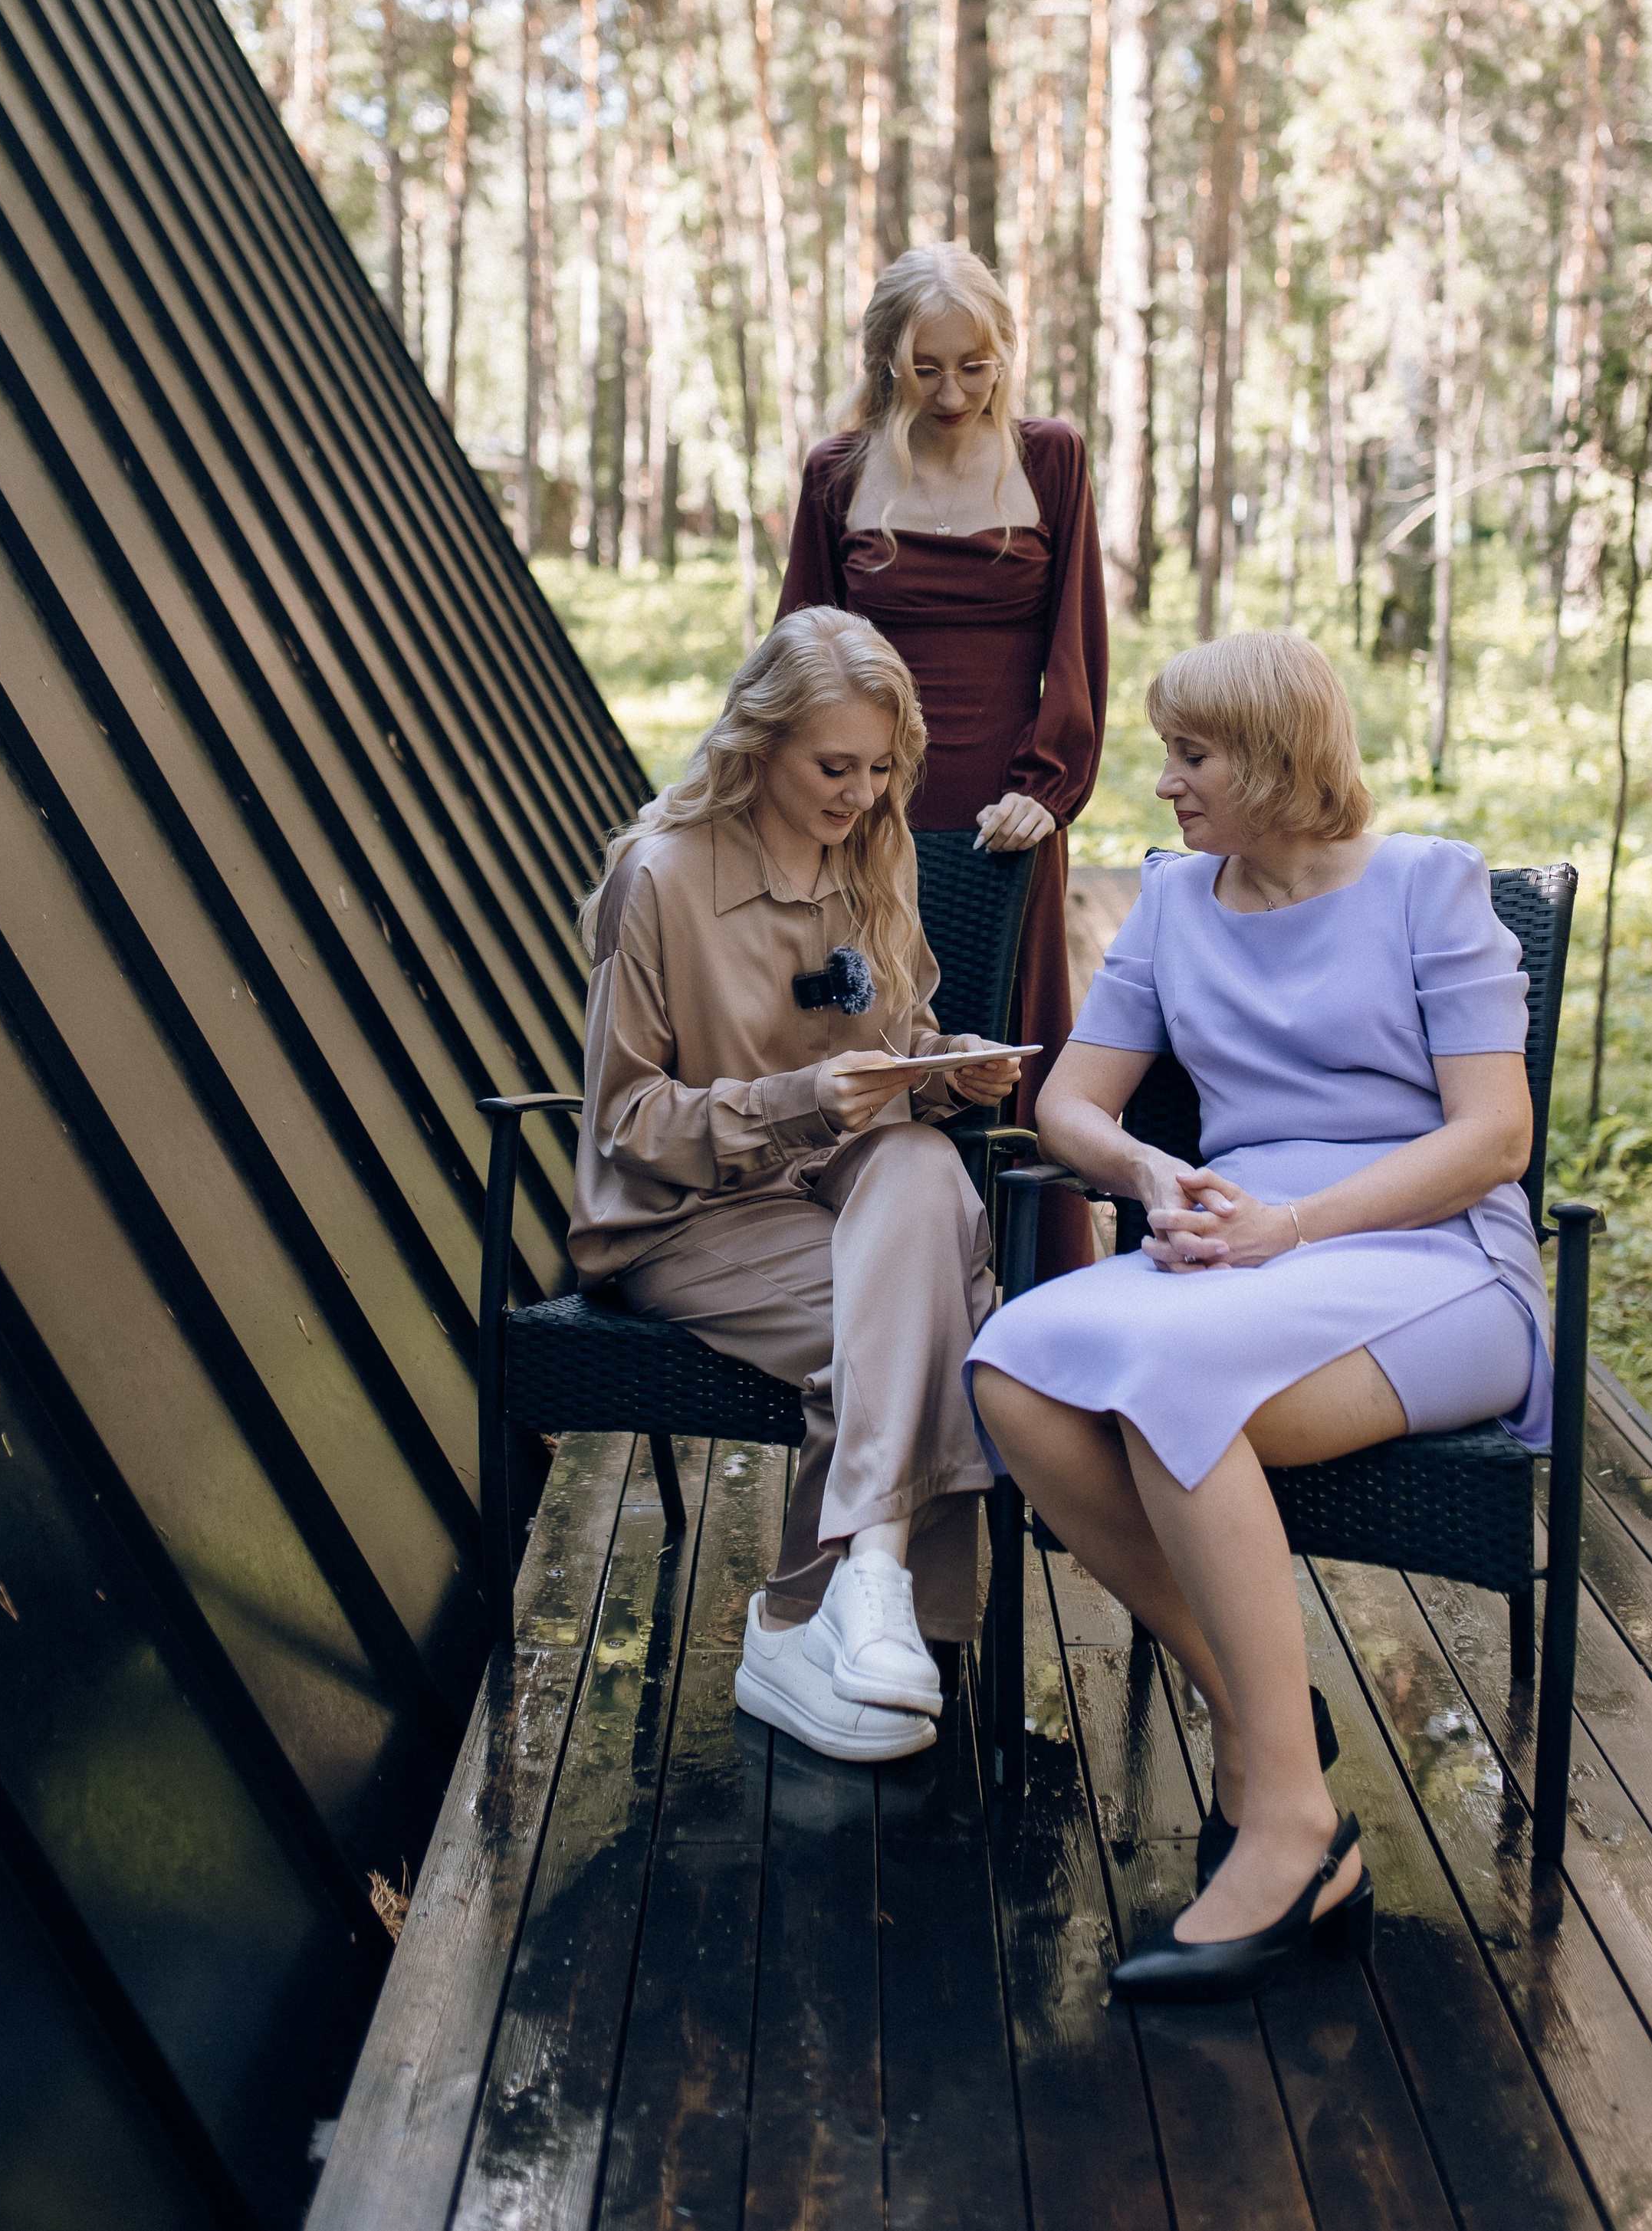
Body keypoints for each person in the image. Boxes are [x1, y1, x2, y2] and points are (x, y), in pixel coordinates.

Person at [966, 629, 1549, 1999]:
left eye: (1193, 756)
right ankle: (1261, 1713)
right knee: (1013, 1364)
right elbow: (1069, 1101)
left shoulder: (1430, 884)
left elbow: (1495, 1137)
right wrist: (1149, 1173)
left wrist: (1292, 1223)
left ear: (1279, 759)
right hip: (1235, 1258)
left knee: (1171, 1379)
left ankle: (1290, 1824)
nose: (1164, 782)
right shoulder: (1176, 903)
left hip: (1434, 1260)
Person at [570, 606, 1023, 1764]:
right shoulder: (659, 878)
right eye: (835, 767)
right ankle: (815, 1618)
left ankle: (852, 1591)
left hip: (853, 1186)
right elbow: (624, 1122)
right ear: (759, 740)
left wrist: (950, 1071)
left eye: (882, 767)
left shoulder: (879, 856)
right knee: (934, 1324)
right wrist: (799, 1100)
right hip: (689, 1217)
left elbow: (898, 1045)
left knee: (921, 1159)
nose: (863, 794)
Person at [779, 244, 1107, 1280]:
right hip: (861, 810)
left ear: (1005, 352)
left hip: (1006, 815)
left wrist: (1047, 789)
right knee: (871, 1042)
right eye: (927, 369)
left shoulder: (1051, 458)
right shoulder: (838, 471)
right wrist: (817, 795)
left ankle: (1037, 1308)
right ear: (886, 359)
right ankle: (884, 1287)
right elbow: (800, 652)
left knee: (1006, 1053)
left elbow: (1078, 644)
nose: (955, 393)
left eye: (976, 366)